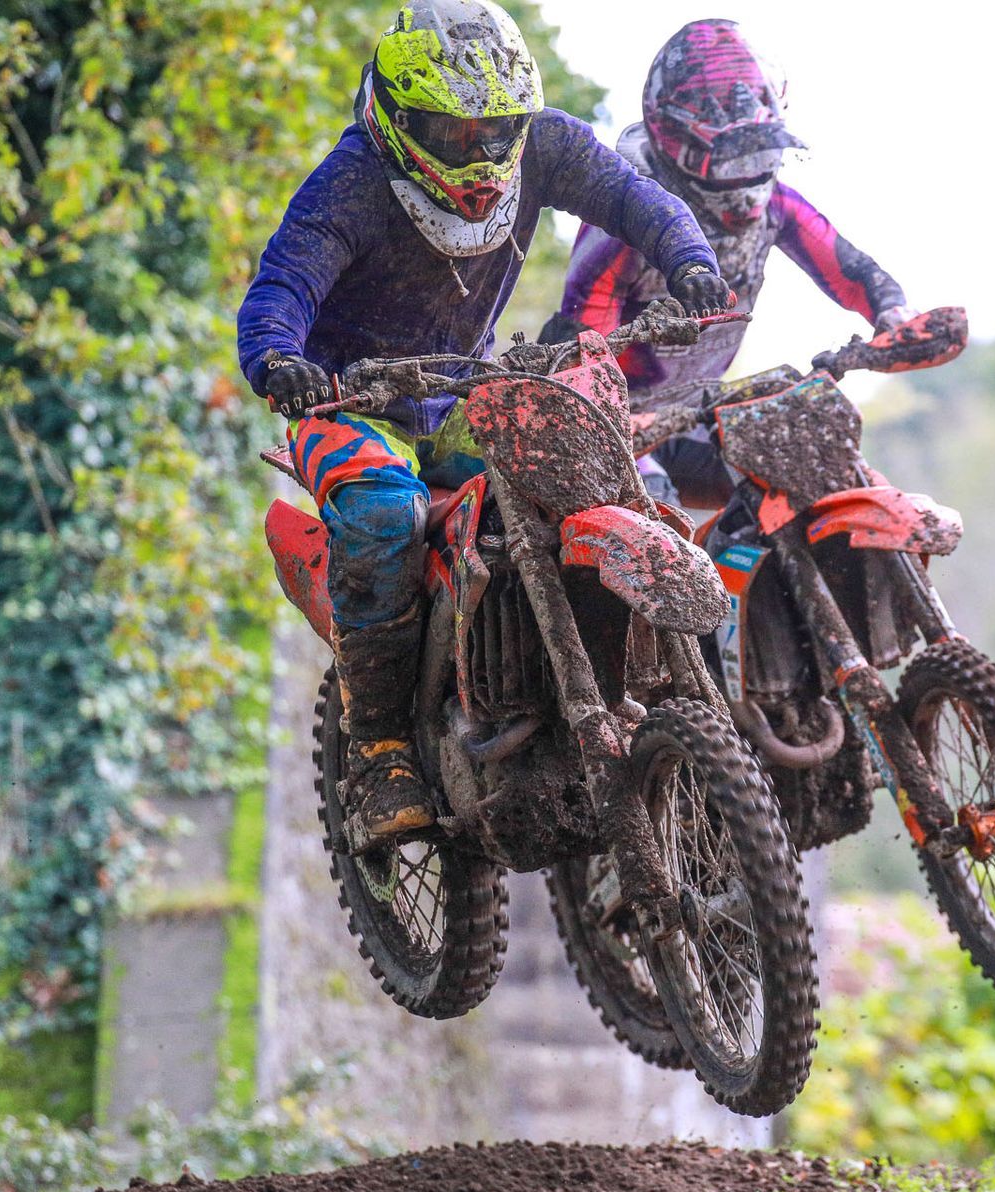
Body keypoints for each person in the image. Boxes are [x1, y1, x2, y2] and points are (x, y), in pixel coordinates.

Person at [237, 0, 732, 855]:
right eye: (449, 130)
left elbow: (636, 197)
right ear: (396, 118)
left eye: (491, 130)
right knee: (384, 513)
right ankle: (380, 751)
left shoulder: (546, 146)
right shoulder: (352, 181)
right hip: (347, 404)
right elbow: (281, 284)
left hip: (463, 391)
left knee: (581, 460)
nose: (475, 151)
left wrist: (689, 259)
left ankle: (617, 687)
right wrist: (280, 358)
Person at [543, 18, 914, 508]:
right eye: (732, 156)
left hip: (694, 413)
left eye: (759, 152)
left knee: (817, 470)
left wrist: (894, 314)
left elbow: (852, 271)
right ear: (681, 142)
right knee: (654, 516)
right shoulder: (632, 213)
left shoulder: (778, 206)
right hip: (604, 418)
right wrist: (608, 418)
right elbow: (584, 345)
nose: (748, 173)